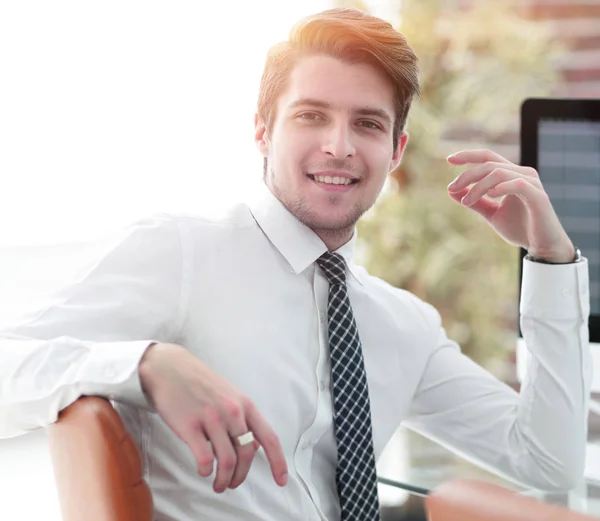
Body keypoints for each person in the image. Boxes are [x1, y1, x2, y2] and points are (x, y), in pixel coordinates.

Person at [0, 7, 591, 521]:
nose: (340, 146)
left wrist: (552, 258)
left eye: (368, 123)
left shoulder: (403, 324)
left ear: (396, 150)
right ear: (262, 131)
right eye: (311, 116)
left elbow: (547, 458)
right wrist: (144, 364)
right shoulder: (180, 254)